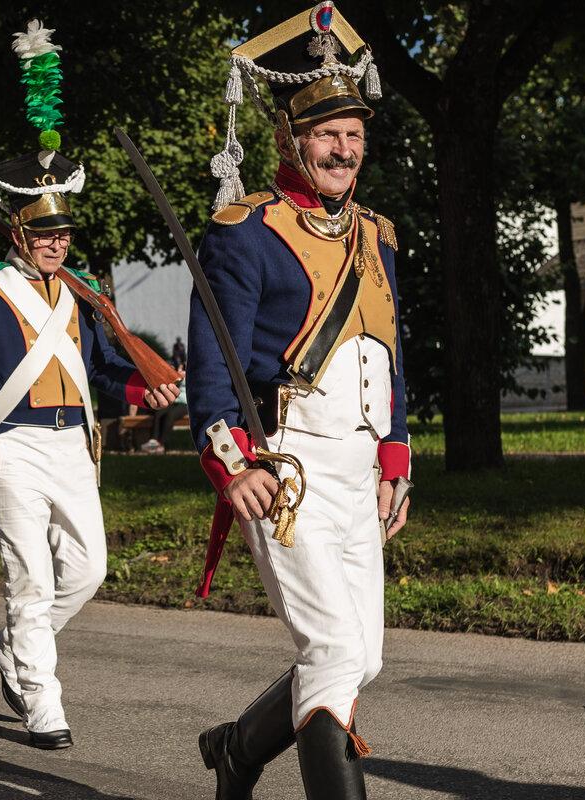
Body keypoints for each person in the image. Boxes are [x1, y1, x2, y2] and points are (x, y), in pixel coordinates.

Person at [188, 4, 412, 798]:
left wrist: (397, 458)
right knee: (334, 654)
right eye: (326, 134)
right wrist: (230, 460)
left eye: (352, 134)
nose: (343, 149)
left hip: (360, 474)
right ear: (288, 140)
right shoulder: (245, 230)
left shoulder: (378, 234)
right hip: (285, 471)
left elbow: (387, 354)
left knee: (362, 657)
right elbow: (211, 359)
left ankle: (237, 751)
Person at [0, 26, 182, 750]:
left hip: (76, 443)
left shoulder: (76, 296)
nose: (57, 242)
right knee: (31, 579)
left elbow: (95, 372)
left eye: (64, 232)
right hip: (11, 444)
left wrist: (139, 394)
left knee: (90, 567)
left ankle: (12, 645)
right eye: (44, 232)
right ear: (16, 230)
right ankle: (42, 699)